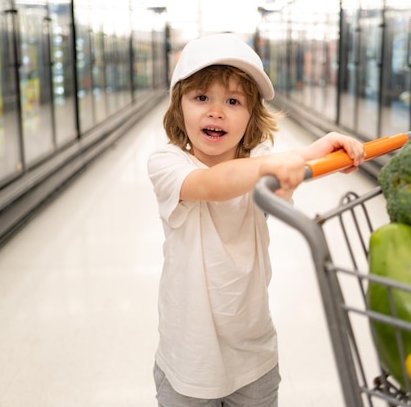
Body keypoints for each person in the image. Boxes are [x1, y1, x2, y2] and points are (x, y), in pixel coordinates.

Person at [147, 33, 365, 407]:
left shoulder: (259, 160)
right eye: (201, 98)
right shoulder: (168, 163)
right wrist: (273, 164)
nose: (216, 111)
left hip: (253, 352)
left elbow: (277, 170)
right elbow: (214, 184)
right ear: (178, 107)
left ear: (251, 117)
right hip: (189, 357)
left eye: (233, 101)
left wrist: (319, 150)